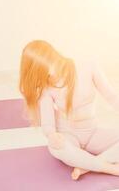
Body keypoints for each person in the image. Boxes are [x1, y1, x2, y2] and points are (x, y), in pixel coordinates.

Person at [19, 40, 119, 180]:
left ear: (54, 55)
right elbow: (48, 124)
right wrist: (52, 135)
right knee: (55, 148)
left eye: (49, 64)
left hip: (93, 132)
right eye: (43, 71)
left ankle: (85, 166)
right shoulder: (45, 87)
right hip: (68, 135)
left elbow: (112, 97)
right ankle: (110, 168)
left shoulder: (88, 66)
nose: (52, 73)